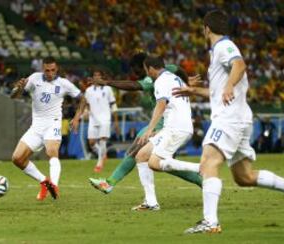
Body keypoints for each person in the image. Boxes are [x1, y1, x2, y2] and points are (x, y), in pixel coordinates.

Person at [170, 10, 284, 234]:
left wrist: (228, 86)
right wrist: (194, 90)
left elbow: (239, 64)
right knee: (244, 177)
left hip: (229, 118)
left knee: (208, 163)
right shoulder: (217, 51)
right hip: (238, 116)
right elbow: (217, 90)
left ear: (206, 28)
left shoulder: (224, 47)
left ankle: (210, 222)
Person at [88, 52, 202, 195]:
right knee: (163, 162)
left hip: (165, 122)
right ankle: (201, 180)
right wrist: (186, 82)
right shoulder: (169, 69)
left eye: (137, 69)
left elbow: (133, 85)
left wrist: (107, 82)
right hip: (170, 120)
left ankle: (110, 183)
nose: (135, 73)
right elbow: (178, 69)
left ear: (146, 67)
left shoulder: (152, 79)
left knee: (137, 150)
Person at [10, 56, 83, 200]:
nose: (50, 73)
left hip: (53, 123)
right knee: (17, 159)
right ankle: (44, 182)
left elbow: (83, 98)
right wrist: (17, 88)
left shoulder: (64, 83)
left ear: (57, 69)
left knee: (51, 151)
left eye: (53, 70)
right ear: (43, 69)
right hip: (36, 126)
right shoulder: (34, 78)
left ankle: (54, 186)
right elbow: (13, 96)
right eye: (47, 70)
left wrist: (76, 117)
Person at [132, 55, 198, 210]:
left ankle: (200, 168)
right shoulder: (175, 78)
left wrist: (149, 129)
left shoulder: (161, 81)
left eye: (146, 69)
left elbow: (161, 105)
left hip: (176, 128)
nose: (146, 73)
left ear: (151, 68)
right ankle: (151, 202)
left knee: (154, 163)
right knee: (141, 156)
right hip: (175, 126)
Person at [84, 69, 119, 173]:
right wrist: (85, 111)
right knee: (91, 143)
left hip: (105, 118)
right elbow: (86, 104)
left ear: (102, 77)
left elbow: (113, 104)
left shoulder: (108, 89)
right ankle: (102, 153)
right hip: (93, 119)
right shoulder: (88, 90)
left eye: (99, 75)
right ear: (93, 77)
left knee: (102, 140)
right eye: (95, 75)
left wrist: (116, 121)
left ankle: (99, 164)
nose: (97, 77)